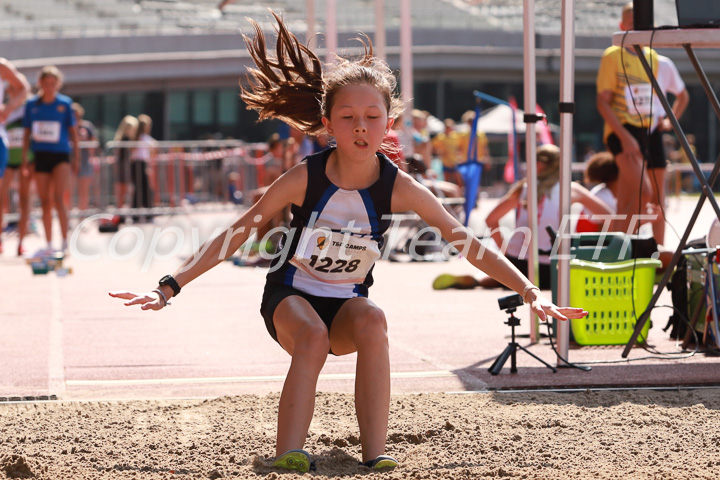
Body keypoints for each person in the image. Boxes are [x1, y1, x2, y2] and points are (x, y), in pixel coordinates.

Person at [110, 12, 587, 474]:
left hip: (346, 304)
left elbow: (468, 242)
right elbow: (239, 231)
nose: (361, 126)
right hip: (290, 301)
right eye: (349, 116)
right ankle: (289, 453)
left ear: (389, 122)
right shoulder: (306, 177)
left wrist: (529, 291)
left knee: (375, 319)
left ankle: (374, 454)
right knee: (312, 336)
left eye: (371, 116)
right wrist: (169, 286)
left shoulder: (400, 186)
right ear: (328, 123)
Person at [432, 145, 614, 291]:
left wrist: (504, 252)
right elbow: (609, 216)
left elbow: (491, 219)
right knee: (567, 283)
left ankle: (479, 281)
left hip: (519, 261)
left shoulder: (524, 188)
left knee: (511, 278)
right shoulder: (571, 189)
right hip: (554, 265)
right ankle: (485, 280)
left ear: (540, 165)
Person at [596, 2, 688, 246]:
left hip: (651, 130)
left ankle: (657, 257)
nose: (637, 28)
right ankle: (619, 251)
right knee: (642, 193)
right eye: (632, 23)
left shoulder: (656, 59)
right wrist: (625, 138)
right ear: (622, 26)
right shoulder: (613, 56)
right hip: (623, 130)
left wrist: (667, 121)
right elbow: (601, 102)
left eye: (642, 25)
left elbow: (681, 96)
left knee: (649, 200)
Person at [22, 65, 79, 254]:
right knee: (45, 201)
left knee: (59, 198)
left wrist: (76, 157)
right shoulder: (32, 105)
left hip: (60, 155)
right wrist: (25, 159)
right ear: (40, 84)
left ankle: (64, 241)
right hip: (40, 156)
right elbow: (26, 133)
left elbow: (73, 132)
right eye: (46, 84)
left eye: (53, 84)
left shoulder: (65, 103)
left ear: (58, 84)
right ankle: (48, 243)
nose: (49, 87)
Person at [0, 62, 31, 255]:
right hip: (10, 157)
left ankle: (20, 241)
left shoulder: (28, 108)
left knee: (24, 198)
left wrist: (9, 108)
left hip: (23, 157)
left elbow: (24, 87)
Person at [72, 102, 98, 212]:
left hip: (84, 162)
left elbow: (95, 143)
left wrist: (84, 139)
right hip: (70, 162)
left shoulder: (87, 126)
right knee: (68, 192)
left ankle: (82, 218)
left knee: (84, 192)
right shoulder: (67, 127)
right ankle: (68, 217)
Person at [129, 114, 155, 221]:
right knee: (145, 189)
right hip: (140, 164)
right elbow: (155, 146)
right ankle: (148, 213)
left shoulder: (135, 137)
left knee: (138, 189)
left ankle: (136, 214)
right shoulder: (143, 137)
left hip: (135, 164)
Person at [112, 115, 138, 209]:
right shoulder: (125, 140)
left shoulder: (123, 139)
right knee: (122, 191)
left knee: (124, 192)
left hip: (125, 167)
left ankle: (121, 214)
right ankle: (120, 215)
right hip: (124, 168)